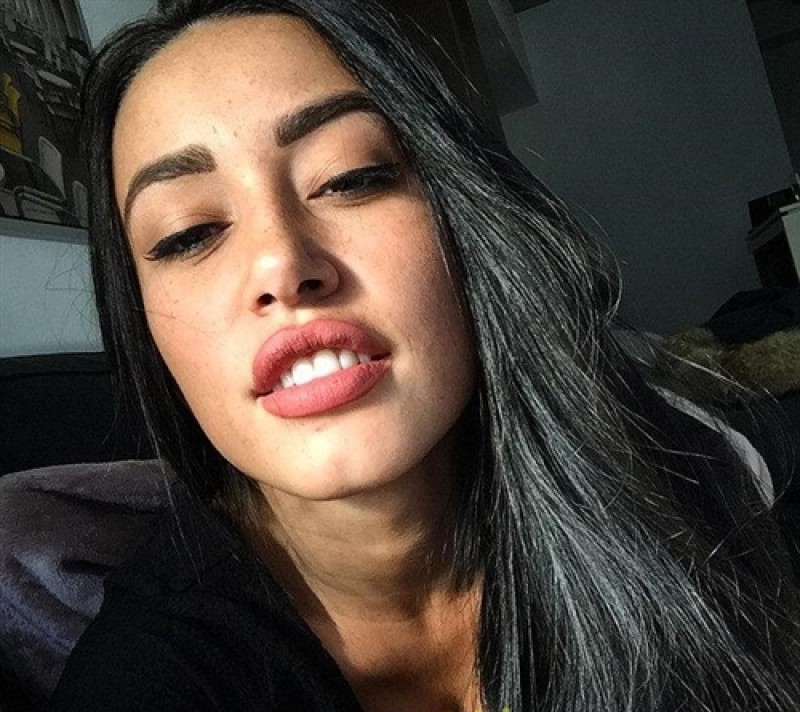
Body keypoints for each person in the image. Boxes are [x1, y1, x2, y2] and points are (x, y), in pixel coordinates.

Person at [52, 0, 800, 710]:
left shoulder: (689, 493)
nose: (282, 262)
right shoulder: (145, 681)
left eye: (350, 177)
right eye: (187, 233)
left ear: (467, 217)